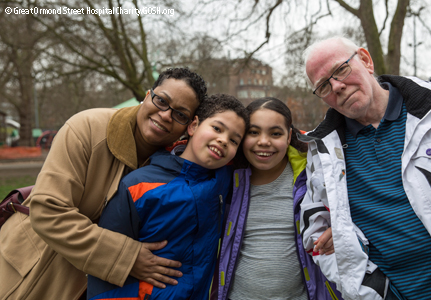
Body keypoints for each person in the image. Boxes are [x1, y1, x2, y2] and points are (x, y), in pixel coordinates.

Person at [0, 68, 208, 300]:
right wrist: (126, 258)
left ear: (190, 125)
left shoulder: (175, 169)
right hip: (31, 273)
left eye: (180, 114)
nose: (166, 115)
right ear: (148, 95)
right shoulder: (86, 127)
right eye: (161, 101)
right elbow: (48, 210)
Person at [299, 36, 431, 300]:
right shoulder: (323, 149)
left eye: (341, 69)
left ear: (366, 61)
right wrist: (347, 236)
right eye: (324, 85)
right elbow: (315, 234)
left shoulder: (425, 112)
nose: (337, 86)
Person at [87, 94, 248, 300]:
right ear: (193, 126)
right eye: (217, 128)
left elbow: (268, 144)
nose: (223, 140)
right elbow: (106, 258)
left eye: (234, 140)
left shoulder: (226, 182)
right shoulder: (138, 185)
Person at [211, 97, 342, 300]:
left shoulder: (313, 178)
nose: (264, 141)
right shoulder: (225, 179)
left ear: (289, 136)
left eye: (275, 133)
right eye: (253, 132)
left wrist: (341, 230)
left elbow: (358, 209)